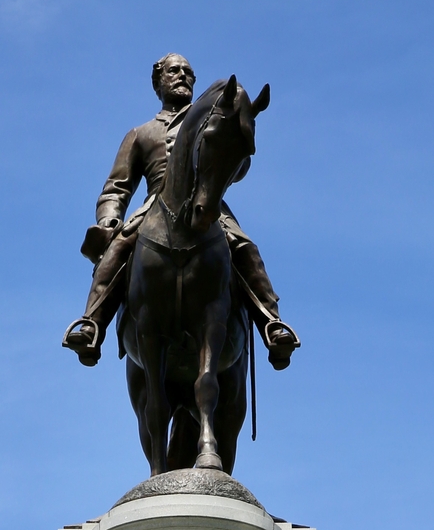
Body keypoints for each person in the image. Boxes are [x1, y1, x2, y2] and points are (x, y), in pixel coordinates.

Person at [62, 53, 299, 370]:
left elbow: (236, 165)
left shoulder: (212, 121)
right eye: (174, 71)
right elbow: (117, 187)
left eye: (188, 72)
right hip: (153, 208)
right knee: (119, 248)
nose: (183, 76)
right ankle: (92, 324)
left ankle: (272, 324)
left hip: (207, 201)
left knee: (245, 248)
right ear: (158, 83)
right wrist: (109, 219)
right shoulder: (141, 134)